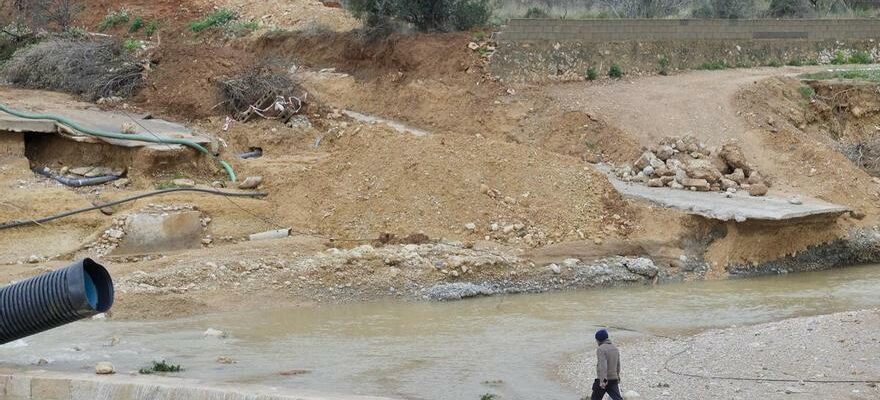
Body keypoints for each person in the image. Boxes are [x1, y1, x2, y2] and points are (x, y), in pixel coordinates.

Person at [590, 329, 623, 400]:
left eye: (596, 340)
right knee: (617, 398)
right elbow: (618, 365)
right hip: (614, 379)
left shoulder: (601, 349)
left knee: (595, 398)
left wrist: (603, 381)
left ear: (599, 340)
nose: (596, 342)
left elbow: (603, 366)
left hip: (604, 380)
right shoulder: (615, 348)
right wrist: (617, 377)